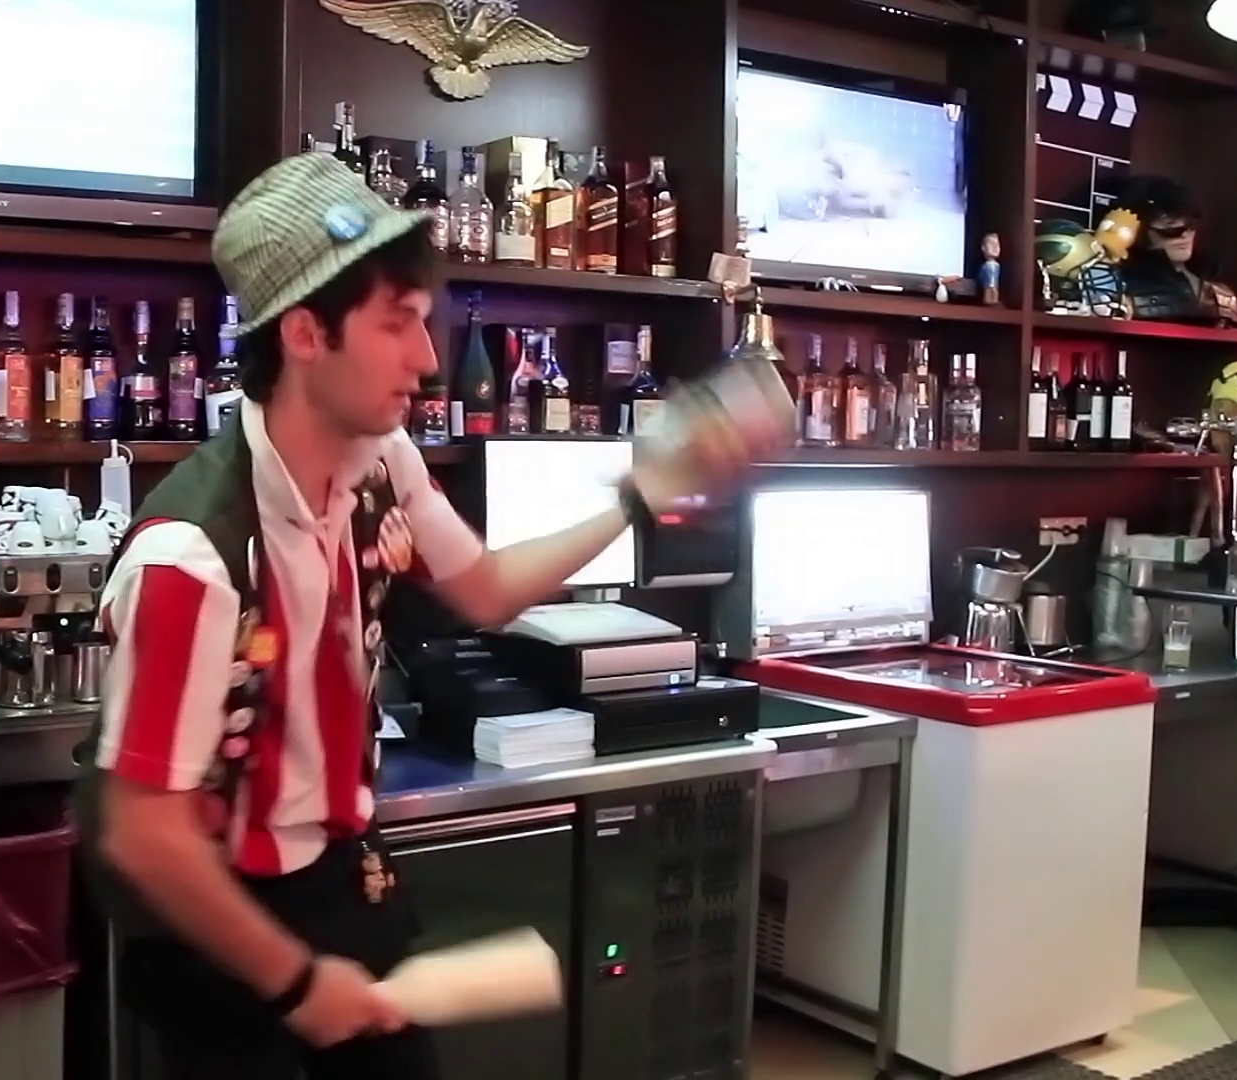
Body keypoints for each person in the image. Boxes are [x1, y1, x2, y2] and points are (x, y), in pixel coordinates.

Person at [75, 152, 790, 1080]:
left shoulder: (383, 460)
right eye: (396, 324)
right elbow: (146, 837)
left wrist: (640, 497)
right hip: (222, 933)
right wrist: (298, 984)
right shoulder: (191, 559)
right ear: (304, 334)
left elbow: (484, 588)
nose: (425, 358)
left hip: (345, 875)